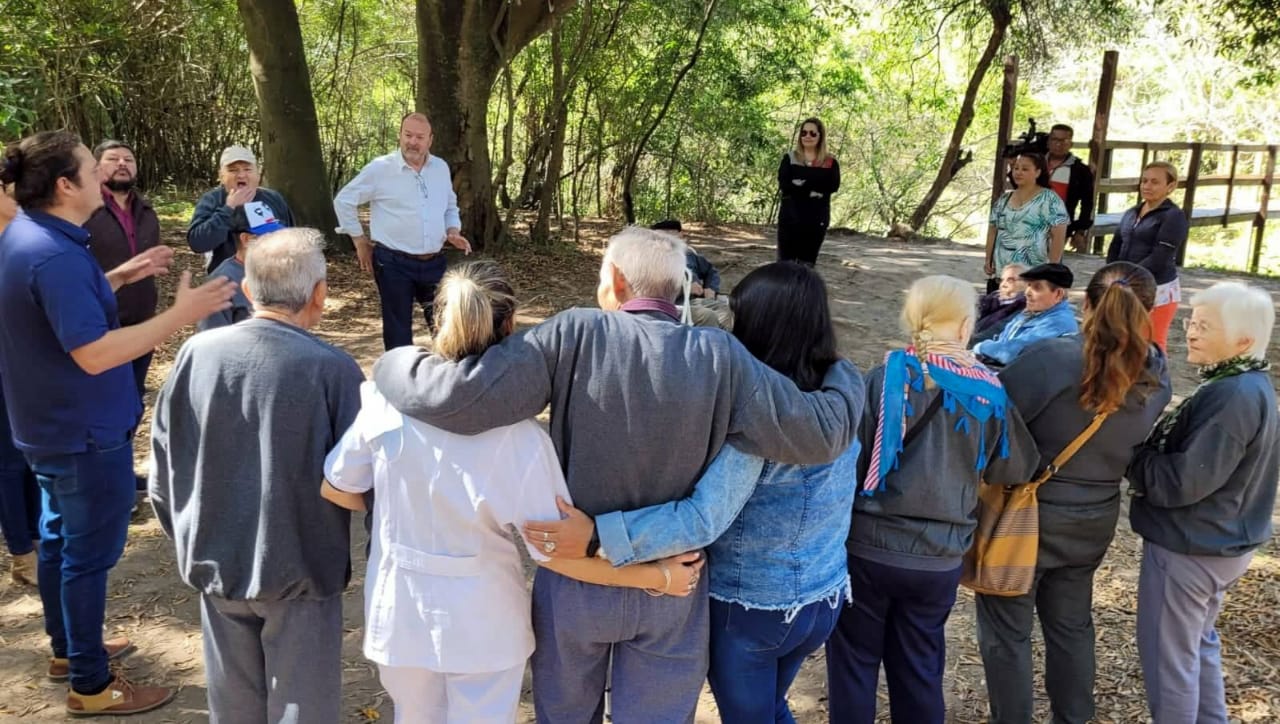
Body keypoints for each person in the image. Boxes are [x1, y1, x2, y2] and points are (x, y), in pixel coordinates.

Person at [372, 226, 863, 723]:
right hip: (671, 588)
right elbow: (823, 432)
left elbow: (461, 395)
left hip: (577, 585)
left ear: (616, 280)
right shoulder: (720, 357)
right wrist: (840, 368)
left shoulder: (572, 333)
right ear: (678, 289)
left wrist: (393, 364)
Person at [320, 260, 704, 724]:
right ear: (510, 327)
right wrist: (657, 578)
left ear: (436, 318)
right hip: (482, 622)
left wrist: (402, 507)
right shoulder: (520, 438)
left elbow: (338, 486)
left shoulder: (385, 399)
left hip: (399, 610)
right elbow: (558, 552)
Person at [524, 261, 859, 722]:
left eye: (739, 316)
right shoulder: (839, 403)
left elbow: (700, 519)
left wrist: (599, 537)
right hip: (821, 600)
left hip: (753, 608)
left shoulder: (755, 428)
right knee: (773, 707)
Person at [0, 130, 234, 716]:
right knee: (85, 556)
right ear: (65, 184)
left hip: (50, 427)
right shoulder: (51, 252)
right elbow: (95, 352)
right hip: (81, 433)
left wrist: (121, 275)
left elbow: (60, 306)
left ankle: (68, 649)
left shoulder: (30, 239)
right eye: (90, 167)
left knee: (59, 541)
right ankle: (91, 683)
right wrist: (181, 314)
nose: (102, 177)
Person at [149, 228, 362, 724]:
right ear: (319, 295)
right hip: (302, 570)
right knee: (303, 709)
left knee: (233, 709)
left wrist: (191, 539)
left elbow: (162, 468)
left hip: (217, 562)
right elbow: (361, 481)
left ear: (247, 291)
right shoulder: (334, 370)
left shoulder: (195, 356)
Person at [825, 274, 1039, 724]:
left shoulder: (883, 379)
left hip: (868, 548)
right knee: (920, 667)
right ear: (965, 327)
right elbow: (1014, 467)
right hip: (939, 556)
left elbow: (850, 459)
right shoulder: (988, 391)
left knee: (854, 664)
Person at [975, 261, 1173, 724]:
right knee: (1071, 624)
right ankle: (1074, 717)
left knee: (1006, 630)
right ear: (1148, 311)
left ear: (1085, 303)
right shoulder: (1155, 375)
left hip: (1028, 514)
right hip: (1096, 516)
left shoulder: (1053, 357)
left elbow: (997, 421)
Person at [1127, 281, 1278, 724]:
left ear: (1243, 341)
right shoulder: (1249, 383)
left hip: (1191, 549)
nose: (1190, 332)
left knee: (1168, 661)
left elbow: (1183, 481)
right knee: (1197, 645)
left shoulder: (1231, 396)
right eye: (1192, 321)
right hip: (1222, 542)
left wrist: (1135, 458)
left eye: (1205, 326)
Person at [334, 112, 473, 350]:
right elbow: (344, 200)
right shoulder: (380, 169)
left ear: (430, 140)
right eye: (408, 135)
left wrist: (452, 230)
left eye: (420, 137)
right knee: (398, 333)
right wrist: (359, 241)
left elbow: (450, 205)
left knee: (447, 326)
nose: (413, 142)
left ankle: (451, 380)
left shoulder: (439, 167)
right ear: (400, 136)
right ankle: (401, 384)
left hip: (434, 261)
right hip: (393, 263)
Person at [83, 140, 164, 493]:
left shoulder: (146, 210)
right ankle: (102, 483)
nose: (122, 164)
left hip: (140, 324)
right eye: (113, 159)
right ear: (96, 167)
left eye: (128, 159)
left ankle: (122, 475)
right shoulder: (84, 210)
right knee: (100, 409)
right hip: (97, 327)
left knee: (131, 405)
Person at [1105, 160, 1189, 352]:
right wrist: (1111, 274)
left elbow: (1161, 256)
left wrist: (1128, 278)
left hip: (1157, 288)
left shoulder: (1173, 216)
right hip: (1124, 285)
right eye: (1144, 181)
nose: (1147, 186)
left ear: (1171, 186)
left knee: (1151, 343)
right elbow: (1116, 244)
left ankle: (1157, 381)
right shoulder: (1131, 212)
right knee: (1122, 339)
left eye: (1154, 182)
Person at [188, 145, 293, 273]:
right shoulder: (212, 200)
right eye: (233, 170)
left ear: (258, 174)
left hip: (272, 280)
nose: (241, 175)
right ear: (221, 176)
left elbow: (292, 239)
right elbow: (197, 243)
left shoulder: (274, 198)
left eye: (247, 169)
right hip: (228, 281)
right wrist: (228, 208)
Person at [196, 202, 285, 331]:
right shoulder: (221, 283)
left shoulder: (281, 273)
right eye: (269, 236)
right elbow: (211, 339)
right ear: (246, 239)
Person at [973, 263, 1079, 366]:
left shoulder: (1058, 322)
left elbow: (1010, 352)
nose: (1027, 292)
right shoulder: (1033, 312)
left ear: (1058, 294)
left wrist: (980, 347)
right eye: (1028, 285)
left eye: (1037, 287)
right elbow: (1002, 340)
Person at [985, 153, 1069, 279]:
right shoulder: (1004, 199)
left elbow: (1058, 236)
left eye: (1025, 169)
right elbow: (993, 229)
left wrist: (1052, 268)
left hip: (1034, 273)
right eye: (1016, 168)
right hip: (1003, 272)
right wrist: (988, 259)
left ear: (1037, 172)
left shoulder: (1050, 199)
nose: (1018, 172)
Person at [777, 117, 841, 266]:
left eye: (813, 133)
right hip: (790, 220)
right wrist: (814, 189)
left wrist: (801, 184)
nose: (807, 136)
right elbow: (785, 185)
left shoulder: (830, 162)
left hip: (816, 221)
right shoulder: (789, 158)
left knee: (806, 266)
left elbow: (832, 186)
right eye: (804, 133)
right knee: (785, 266)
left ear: (820, 136)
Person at [650, 218, 730, 329]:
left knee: (724, 311)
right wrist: (685, 288)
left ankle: (722, 343)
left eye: (670, 236)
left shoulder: (688, 255)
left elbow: (711, 271)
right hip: (672, 305)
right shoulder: (651, 259)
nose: (666, 241)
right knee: (706, 316)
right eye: (661, 237)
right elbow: (650, 290)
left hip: (694, 301)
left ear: (680, 235)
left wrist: (710, 288)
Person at [1044, 124, 1095, 252]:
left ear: (1070, 143)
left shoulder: (1080, 171)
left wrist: (1080, 230)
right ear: (1049, 141)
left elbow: (1087, 203)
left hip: (1059, 227)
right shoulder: (1036, 163)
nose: (1058, 144)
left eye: (1063, 141)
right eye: (1055, 140)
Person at [971, 262, 1028, 346]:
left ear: (1027, 283)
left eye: (1010, 280)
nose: (1003, 284)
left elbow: (994, 333)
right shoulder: (991, 299)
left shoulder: (1022, 306)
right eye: (1001, 280)